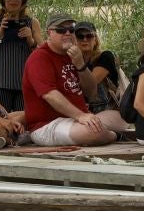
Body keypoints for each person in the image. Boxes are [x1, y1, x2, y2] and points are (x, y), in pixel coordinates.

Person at [21, 16, 121, 147]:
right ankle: (115, 135)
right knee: (93, 132)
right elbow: (50, 95)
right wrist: (80, 116)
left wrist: (81, 65)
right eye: (61, 30)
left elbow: (91, 93)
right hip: (48, 125)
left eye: (71, 29)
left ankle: (105, 131)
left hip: (76, 119)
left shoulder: (72, 55)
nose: (67, 33)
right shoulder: (39, 58)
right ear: (49, 33)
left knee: (121, 119)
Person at [0, 0, 41, 114]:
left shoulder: (32, 22)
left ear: (23, 0)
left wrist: (31, 40)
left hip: (25, 84)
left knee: (23, 123)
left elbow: (42, 56)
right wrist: (0, 33)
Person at [74, 22, 122, 115]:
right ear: (75, 40)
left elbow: (91, 84)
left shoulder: (105, 56)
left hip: (109, 111)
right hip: (84, 112)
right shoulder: (71, 61)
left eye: (89, 36)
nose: (85, 39)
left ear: (95, 40)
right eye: (80, 36)